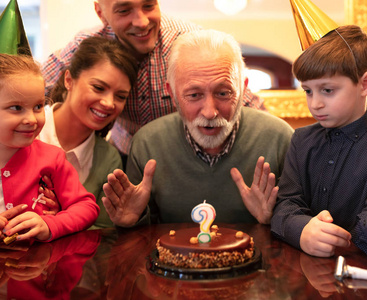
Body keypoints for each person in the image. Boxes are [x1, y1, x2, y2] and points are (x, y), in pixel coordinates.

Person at [102, 29, 294, 227]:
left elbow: (302, 225)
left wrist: (276, 220)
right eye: (194, 95)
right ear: (173, 94)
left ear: (243, 89)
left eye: (223, 93)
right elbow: (144, 242)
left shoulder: (280, 139)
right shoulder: (147, 144)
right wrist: (131, 223)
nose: (210, 112)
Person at [41, 0, 263, 157]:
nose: (141, 21)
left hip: (185, 157)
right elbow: (30, 89)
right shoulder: (87, 44)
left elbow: (243, 102)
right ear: (101, 13)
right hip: (124, 155)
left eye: (149, 5)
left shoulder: (186, 43)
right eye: (124, 10)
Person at [270, 25, 367, 258]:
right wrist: (302, 229)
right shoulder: (301, 140)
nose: (315, 103)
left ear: (365, 84)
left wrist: (338, 236)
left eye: (327, 90)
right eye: (308, 91)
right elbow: (285, 204)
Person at [39, 36, 138, 229]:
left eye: (120, 96)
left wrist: (63, 217)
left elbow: (101, 233)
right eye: (99, 88)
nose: (109, 103)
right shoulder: (25, 130)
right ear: (69, 80)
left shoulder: (108, 159)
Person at [0, 53, 99, 242]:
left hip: (39, 267)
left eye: (38, 106)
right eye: (16, 108)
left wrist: (50, 225)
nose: (31, 119)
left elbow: (86, 207)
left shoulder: (51, 158)